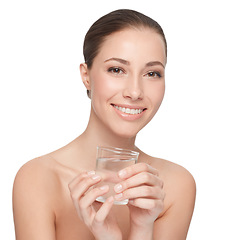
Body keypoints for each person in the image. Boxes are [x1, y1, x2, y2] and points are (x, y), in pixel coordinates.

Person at [13, 9, 196, 240]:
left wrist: (141, 228)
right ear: (86, 75)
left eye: (152, 73)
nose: (135, 92)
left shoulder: (175, 185)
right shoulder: (38, 179)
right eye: (117, 70)